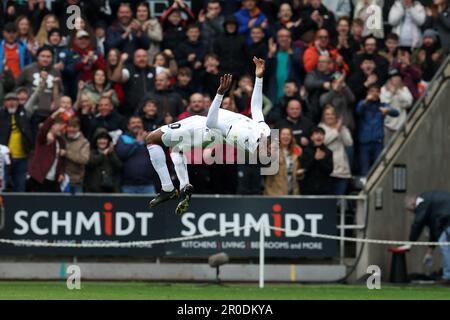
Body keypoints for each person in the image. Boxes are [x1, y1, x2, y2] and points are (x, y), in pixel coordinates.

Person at [145, 57, 271, 215]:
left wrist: (219, 94)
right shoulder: (263, 130)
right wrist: (259, 77)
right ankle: (184, 187)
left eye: (267, 153)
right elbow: (257, 108)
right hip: (206, 134)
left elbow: (211, 123)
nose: (271, 149)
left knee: (151, 138)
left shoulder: (241, 138)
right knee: (176, 149)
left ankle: (167, 188)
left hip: (202, 128)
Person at [404, 191, 450, 285]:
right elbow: (435, 230)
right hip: (445, 221)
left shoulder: (422, 203)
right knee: (444, 244)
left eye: (413, 211)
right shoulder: (430, 206)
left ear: (413, 204)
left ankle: (447, 277)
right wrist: (429, 252)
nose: (415, 213)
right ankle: (447, 276)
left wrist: (410, 242)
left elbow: (418, 223)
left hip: (448, 220)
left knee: (445, 248)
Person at [356, 84, 399, 175]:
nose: (374, 94)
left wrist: (388, 111)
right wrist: (366, 100)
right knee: (364, 169)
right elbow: (358, 111)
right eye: (372, 91)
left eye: (377, 91)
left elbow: (396, 113)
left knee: (378, 169)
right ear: (368, 93)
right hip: (364, 142)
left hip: (378, 142)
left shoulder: (383, 105)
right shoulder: (363, 104)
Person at [27, 108, 66, 193]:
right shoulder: (44, 138)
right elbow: (43, 130)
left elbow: (61, 162)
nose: (63, 127)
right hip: (39, 179)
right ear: (52, 125)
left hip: (53, 182)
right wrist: (55, 114)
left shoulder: (61, 141)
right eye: (60, 125)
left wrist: (61, 173)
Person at [0, 92, 33, 192]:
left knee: (20, 187)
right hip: (4, 158)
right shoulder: (1, 114)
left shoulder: (25, 113)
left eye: (14, 100)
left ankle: (19, 207)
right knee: (3, 186)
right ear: (5, 103)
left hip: (22, 158)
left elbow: (34, 99)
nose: (12, 103)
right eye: (9, 100)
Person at [115, 116, 157, 194]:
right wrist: (137, 142)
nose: (136, 125)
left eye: (138, 122)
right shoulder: (123, 138)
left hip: (148, 184)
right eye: (133, 123)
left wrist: (148, 140)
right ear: (128, 126)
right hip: (128, 185)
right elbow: (122, 154)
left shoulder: (150, 138)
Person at [319, 105, 353, 195]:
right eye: (327, 114)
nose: (330, 116)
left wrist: (341, 128)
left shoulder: (342, 128)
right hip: (327, 172)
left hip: (342, 171)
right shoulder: (320, 128)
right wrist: (336, 130)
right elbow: (324, 141)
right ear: (324, 116)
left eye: (332, 114)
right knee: (329, 202)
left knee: (340, 202)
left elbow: (349, 143)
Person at [264, 127, 302, 196]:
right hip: (274, 192)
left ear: (291, 137)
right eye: (283, 134)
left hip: (293, 192)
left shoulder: (297, 150)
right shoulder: (272, 149)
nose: (286, 136)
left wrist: (299, 173)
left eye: (288, 134)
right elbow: (267, 169)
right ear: (279, 137)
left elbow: (299, 170)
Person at [84, 129, 122, 193]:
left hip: (109, 190)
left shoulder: (112, 153)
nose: (102, 141)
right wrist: (103, 154)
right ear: (96, 141)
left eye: (105, 139)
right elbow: (91, 162)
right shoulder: (91, 153)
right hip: (93, 191)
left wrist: (111, 154)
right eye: (100, 139)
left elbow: (119, 167)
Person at [381, 69, 413, 144]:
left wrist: (398, 92)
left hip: (401, 125)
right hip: (387, 126)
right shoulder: (383, 89)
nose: (396, 79)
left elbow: (408, 103)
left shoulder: (404, 89)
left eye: (398, 77)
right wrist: (391, 93)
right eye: (394, 77)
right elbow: (383, 103)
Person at [300, 127, 334, 195]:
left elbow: (330, 170)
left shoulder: (328, 152)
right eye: (316, 134)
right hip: (308, 188)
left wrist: (321, 160)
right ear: (312, 137)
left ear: (324, 137)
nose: (319, 136)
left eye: (321, 134)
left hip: (324, 189)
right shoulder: (306, 151)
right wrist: (315, 159)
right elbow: (305, 168)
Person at [64, 117, 90, 194]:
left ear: (78, 128)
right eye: (69, 126)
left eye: (74, 127)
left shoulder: (84, 142)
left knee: (78, 205)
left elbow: (84, 159)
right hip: (62, 180)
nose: (71, 129)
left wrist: (67, 153)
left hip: (76, 181)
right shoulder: (62, 139)